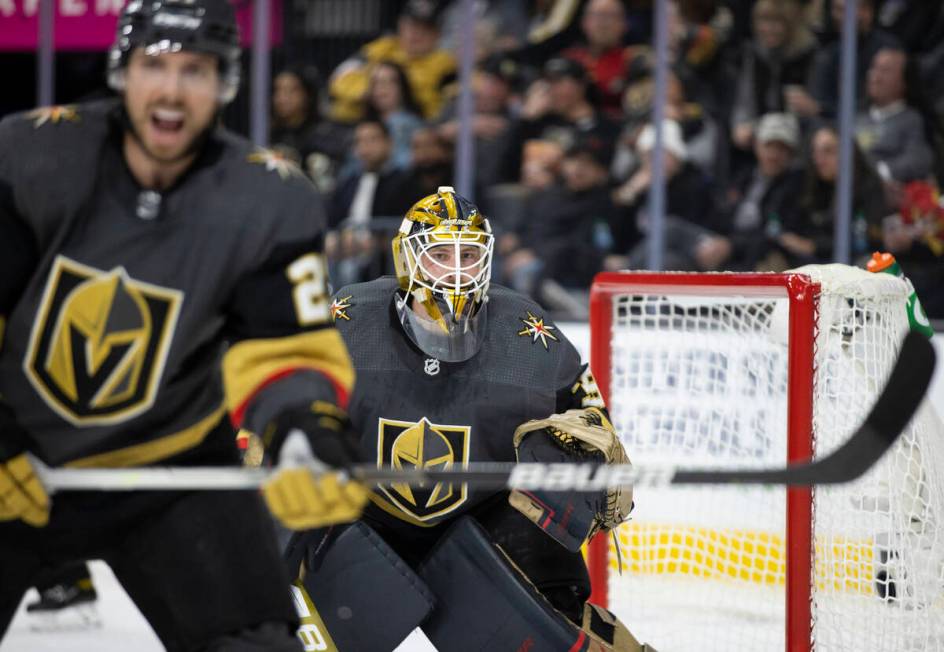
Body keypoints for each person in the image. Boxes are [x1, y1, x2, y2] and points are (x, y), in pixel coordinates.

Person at [0, 1, 362, 650]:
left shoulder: (271, 199)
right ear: (122, 71)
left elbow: (282, 348)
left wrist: (302, 429)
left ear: (225, 83)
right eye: (155, 66)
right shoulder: (28, 158)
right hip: (14, 462)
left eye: (195, 70)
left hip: (168, 470)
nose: (171, 90)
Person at [284, 187, 648, 651]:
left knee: (558, 609)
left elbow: (592, 425)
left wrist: (592, 467)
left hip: (484, 523)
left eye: (469, 254)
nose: (457, 270)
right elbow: (278, 414)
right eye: (439, 253)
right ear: (407, 258)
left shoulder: (530, 334)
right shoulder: (347, 320)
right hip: (364, 517)